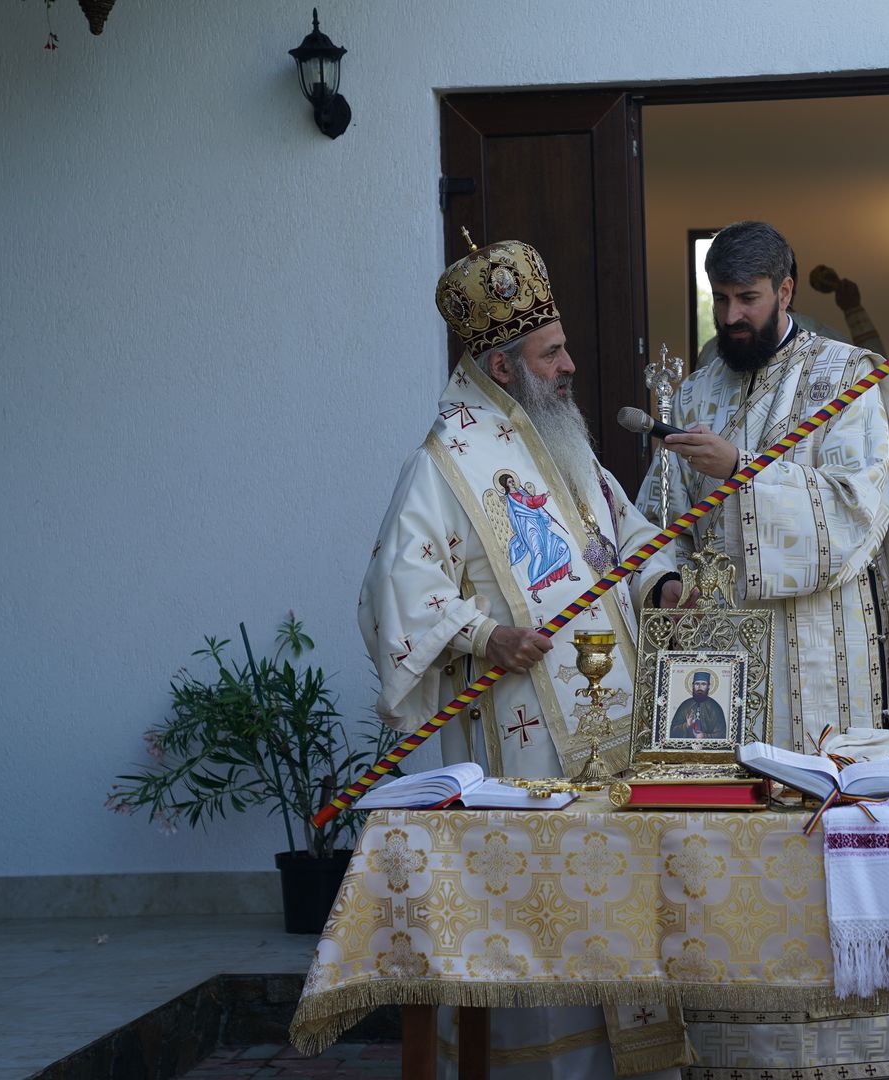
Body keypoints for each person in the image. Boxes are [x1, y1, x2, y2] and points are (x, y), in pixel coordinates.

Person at [358, 238, 687, 1080]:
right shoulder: (444, 465)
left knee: (615, 901)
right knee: (543, 919)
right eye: (553, 353)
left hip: (616, 735)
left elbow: (622, 530)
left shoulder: (560, 440)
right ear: (504, 368)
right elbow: (396, 593)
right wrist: (483, 635)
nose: (571, 364)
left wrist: (662, 583)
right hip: (524, 736)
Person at [639, 221, 889, 751]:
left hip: (816, 645)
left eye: (748, 299)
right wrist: (663, 579)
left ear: (785, 291)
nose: (731, 316)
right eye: (721, 299)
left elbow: (858, 513)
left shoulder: (847, 377)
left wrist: (740, 468)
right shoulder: (695, 391)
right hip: (716, 643)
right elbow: (659, 515)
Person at [667, 669, 727, 739]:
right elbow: (672, 732)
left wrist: (705, 736)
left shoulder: (715, 707)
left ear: (709, 686)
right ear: (693, 685)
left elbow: (722, 734)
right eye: (697, 684)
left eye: (703, 684)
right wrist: (687, 725)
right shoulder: (684, 705)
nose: (699, 687)